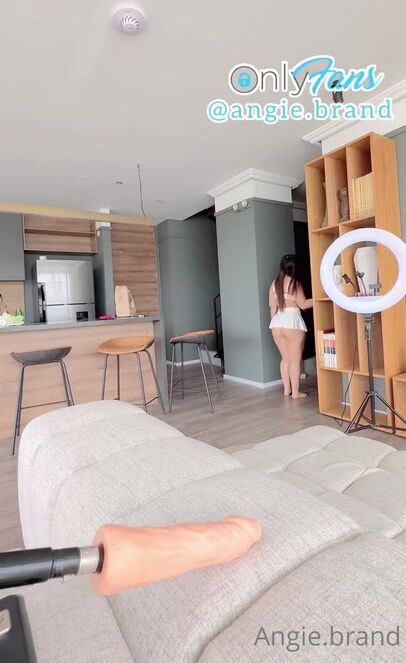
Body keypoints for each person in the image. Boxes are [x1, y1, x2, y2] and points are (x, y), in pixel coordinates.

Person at [269, 254, 313, 399]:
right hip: (292, 322)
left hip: (277, 323)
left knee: (285, 359)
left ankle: (286, 390)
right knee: (295, 360)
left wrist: (274, 323)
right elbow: (303, 304)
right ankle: (295, 393)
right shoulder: (295, 283)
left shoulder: (274, 284)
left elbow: (272, 307)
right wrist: (318, 299)